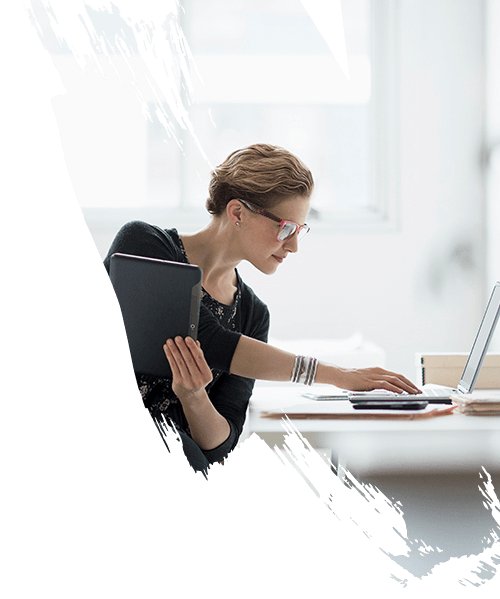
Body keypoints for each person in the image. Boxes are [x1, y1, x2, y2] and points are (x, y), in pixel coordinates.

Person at [104, 143, 420, 475]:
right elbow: (209, 339)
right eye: (285, 228)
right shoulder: (143, 246)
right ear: (238, 213)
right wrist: (339, 375)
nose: (294, 246)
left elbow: (219, 448)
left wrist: (195, 398)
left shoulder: (253, 315)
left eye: (299, 231)